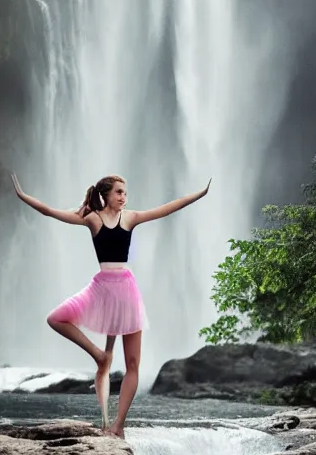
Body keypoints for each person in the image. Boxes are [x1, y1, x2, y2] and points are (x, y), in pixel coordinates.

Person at [11, 173, 211, 438]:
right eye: (119, 192)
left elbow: (168, 208)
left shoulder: (131, 217)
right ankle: (99, 354)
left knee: (132, 364)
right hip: (102, 287)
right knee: (55, 318)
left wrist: (198, 194)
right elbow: (50, 212)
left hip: (126, 291)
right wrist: (23, 196)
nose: (123, 197)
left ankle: (118, 426)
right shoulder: (92, 218)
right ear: (106, 194)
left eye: (125, 193)